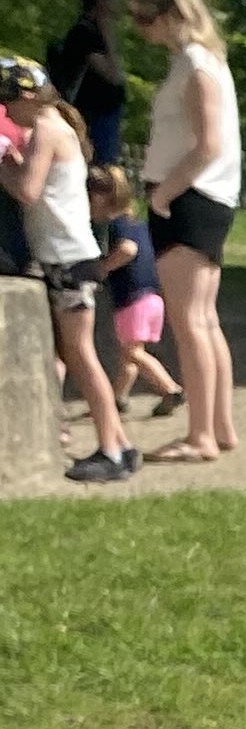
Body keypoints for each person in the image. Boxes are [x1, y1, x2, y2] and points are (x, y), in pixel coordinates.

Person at [0, 57, 136, 481]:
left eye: (8, 103)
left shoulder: (47, 128)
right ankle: (121, 446)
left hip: (67, 259)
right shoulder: (55, 125)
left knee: (82, 358)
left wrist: (3, 157)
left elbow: (27, 190)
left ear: (27, 97)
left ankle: (111, 450)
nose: (7, 112)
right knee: (80, 355)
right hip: (71, 256)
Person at [125, 0, 239, 462]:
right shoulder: (197, 60)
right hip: (199, 198)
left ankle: (201, 436)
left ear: (170, 13)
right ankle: (220, 428)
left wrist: (163, 195)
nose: (140, 29)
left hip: (191, 199)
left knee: (190, 322)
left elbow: (209, 144)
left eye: (145, 18)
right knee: (204, 320)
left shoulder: (196, 65)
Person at [89, 162, 179, 420]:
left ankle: (169, 389)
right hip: (151, 297)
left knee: (132, 353)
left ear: (100, 198)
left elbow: (128, 250)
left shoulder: (117, 225)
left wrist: (102, 268)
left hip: (132, 300)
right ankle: (117, 398)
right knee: (128, 354)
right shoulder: (138, 224)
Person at [46, 0, 127, 172]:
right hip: (94, 116)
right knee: (100, 171)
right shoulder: (84, 33)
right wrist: (108, 36)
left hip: (102, 114)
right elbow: (113, 76)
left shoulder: (92, 32)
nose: (117, 0)